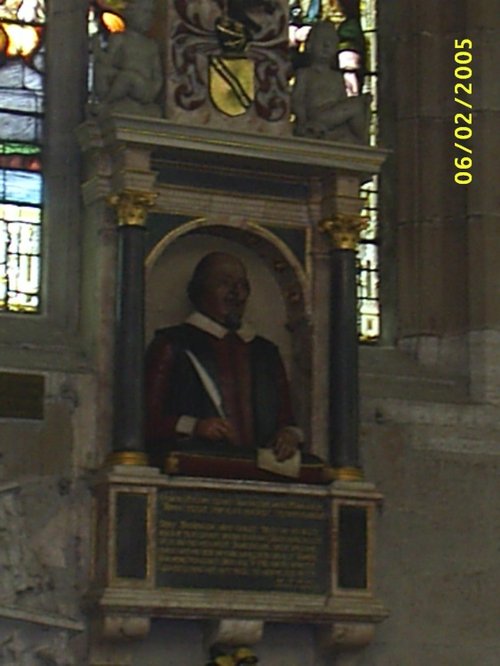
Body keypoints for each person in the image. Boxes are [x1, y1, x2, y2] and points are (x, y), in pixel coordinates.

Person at [145, 252, 302, 466]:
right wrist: (195, 426)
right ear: (200, 291)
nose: (236, 293)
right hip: (197, 467)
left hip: (259, 471)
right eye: (224, 283)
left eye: (242, 285)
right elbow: (144, 419)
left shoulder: (265, 353)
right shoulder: (172, 344)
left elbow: (286, 418)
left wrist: (289, 436)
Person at [291, 20, 369, 143]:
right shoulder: (305, 74)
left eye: (331, 42)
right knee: (357, 106)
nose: (326, 46)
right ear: (310, 45)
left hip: (332, 118)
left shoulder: (337, 77)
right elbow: (297, 100)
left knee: (360, 104)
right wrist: (302, 122)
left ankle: (358, 141)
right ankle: (361, 141)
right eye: (321, 41)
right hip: (316, 116)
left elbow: (342, 101)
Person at [92, 0, 162, 114]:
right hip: (122, 81)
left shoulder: (151, 45)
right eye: (144, 13)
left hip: (143, 88)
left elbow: (157, 73)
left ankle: (106, 103)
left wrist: (154, 89)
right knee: (106, 72)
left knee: (128, 77)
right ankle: (107, 101)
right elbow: (109, 61)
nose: (148, 18)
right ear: (131, 15)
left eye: (151, 14)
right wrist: (97, 50)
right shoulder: (120, 39)